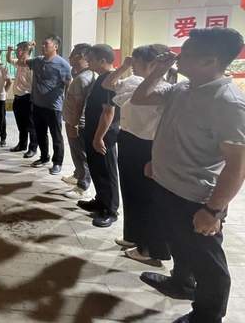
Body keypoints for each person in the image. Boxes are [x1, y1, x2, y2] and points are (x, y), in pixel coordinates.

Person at [131, 28, 245, 323]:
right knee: (179, 244)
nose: (178, 57)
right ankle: (181, 282)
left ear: (210, 61)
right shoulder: (183, 88)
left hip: (197, 197)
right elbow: (140, 98)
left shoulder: (227, 102)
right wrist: (158, 71)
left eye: (187, 53)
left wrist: (213, 210)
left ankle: (208, 316)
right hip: (168, 185)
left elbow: (238, 165)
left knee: (208, 263)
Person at [102, 44, 171, 266]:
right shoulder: (133, 81)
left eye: (137, 61)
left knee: (147, 198)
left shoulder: (165, 89)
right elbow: (107, 83)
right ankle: (133, 236)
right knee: (130, 192)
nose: (134, 65)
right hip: (128, 140)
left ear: (152, 63)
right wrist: (124, 66)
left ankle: (149, 248)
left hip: (149, 146)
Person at [77, 44, 120, 228]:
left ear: (103, 60)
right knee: (96, 168)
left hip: (103, 134)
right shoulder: (101, 77)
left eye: (92, 58)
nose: (88, 61)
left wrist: (98, 137)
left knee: (106, 170)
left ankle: (110, 210)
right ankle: (100, 201)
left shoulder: (111, 80)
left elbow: (109, 112)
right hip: (94, 131)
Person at [27, 35, 71, 175]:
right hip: (37, 105)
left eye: (46, 44)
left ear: (55, 46)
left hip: (53, 107)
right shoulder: (37, 61)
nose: (43, 46)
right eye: (42, 44)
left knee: (56, 136)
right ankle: (44, 157)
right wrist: (28, 48)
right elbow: (22, 61)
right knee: (40, 134)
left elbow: (68, 85)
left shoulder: (62, 64)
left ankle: (57, 162)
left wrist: (67, 105)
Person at [62, 43, 96, 199]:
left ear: (82, 57)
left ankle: (83, 187)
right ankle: (78, 175)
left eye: (73, 55)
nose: (70, 58)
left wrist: (74, 124)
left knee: (80, 154)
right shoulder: (80, 75)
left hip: (77, 123)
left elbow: (80, 105)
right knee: (76, 153)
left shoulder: (83, 78)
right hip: (72, 121)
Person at [6, 41, 38, 158]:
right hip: (17, 98)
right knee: (21, 125)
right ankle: (22, 144)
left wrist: (31, 46)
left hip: (28, 98)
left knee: (31, 125)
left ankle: (33, 148)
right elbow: (9, 60)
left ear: (26, 51)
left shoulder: (32, 65)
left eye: (19, 50)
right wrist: (9, 51)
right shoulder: (19, 63)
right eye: (17, 50)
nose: (17, 52)